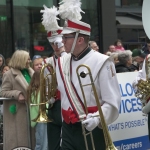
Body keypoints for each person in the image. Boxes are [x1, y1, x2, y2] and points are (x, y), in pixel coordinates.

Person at [55, 1, 121, 149]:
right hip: (67, 129)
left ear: (80, 39)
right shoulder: (62, 62)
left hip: (92, 129)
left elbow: (112, 102)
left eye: (66, 38)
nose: (62, 41)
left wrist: (97, 118)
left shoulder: (103, 62)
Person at [1, 50, 35, 150]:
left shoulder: (31, 71)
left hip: (31, 112)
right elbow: (3, 92)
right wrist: (17, 94)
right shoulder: (9, 74)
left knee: (31, 141)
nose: (29, 61)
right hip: (17, 114)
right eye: (27, 59)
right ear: (20, 60)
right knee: (19, 143)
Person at [41, 5, 63, 150]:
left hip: (68, 104)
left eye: (58, 43)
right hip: (54, 105)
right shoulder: (47, 63)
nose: (55, 47)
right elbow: (46, 83)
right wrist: (48, 95)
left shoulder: (69, 59)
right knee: (53, 142)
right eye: (52, 44)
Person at [27, 70, 48, 150]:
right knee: (44, 144)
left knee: (39, 143)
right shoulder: (39, 91)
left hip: (37, 120)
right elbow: (42, 106)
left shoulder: (33, 90)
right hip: (42, 120)